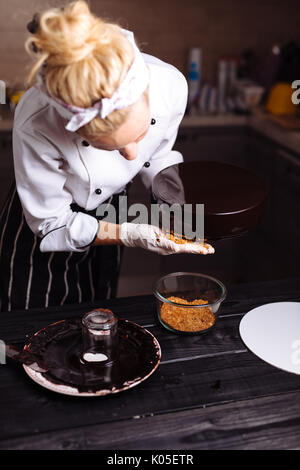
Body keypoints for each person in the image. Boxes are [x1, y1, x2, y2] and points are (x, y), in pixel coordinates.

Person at [0, 1, 213, 312]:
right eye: (110, 147)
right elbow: (50, 222)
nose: (132, 155)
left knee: (97, 309)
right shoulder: (36, 122)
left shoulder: (170, 85)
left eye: (139, 135)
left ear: (145, 92)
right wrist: (128, 232)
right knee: (38, 320)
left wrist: (177, 206)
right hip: (46, 218)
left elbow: (157, 156)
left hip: (112, 206)